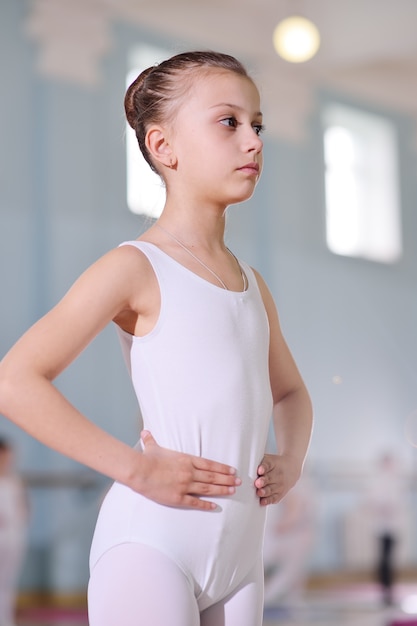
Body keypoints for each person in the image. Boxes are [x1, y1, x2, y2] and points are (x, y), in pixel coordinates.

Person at [0, 50, 313, 626]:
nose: (254, 141)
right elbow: (15, 380)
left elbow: (291, 393)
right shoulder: (135, 267)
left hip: (242, 557)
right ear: (162, 146)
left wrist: (291, 457)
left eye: (258, 125)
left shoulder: (252, 285)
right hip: (153, 545)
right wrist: (135, 469)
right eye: (229, 122)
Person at [263, 471, 317, 610]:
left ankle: (290, 601)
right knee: (288, 571)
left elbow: (296, 508)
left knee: (293, 571)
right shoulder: (299, 485)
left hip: (295, 533)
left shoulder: (299, 484)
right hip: (291, 534)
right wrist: (284, 525)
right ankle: (267, 599)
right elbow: (294, 508)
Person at [0, 438, 29, 626]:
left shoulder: (14, 481)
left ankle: (6, 619)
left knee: (8, 583)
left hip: (13, 539)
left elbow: (23, 510)